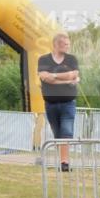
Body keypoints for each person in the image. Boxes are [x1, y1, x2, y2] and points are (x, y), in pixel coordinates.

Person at [37, 32, 80, 171]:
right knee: (57, 133)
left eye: (68, 44)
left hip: (68, 102)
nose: (68, 46)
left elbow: (74, 75)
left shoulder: (72, 59)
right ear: (56, 44)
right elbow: (44, 77)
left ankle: (64, 164)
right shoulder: (43, 60)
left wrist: (54, 76)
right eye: (65, 44)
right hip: (50, 104)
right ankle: (62, 159)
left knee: (66, 132)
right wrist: (66, 80)